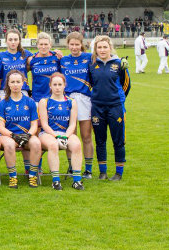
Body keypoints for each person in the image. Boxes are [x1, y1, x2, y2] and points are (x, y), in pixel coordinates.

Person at [89, 36, 131, 181]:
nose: (102, 50)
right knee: (100, 140)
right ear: (95, 49)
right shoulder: (92, 64)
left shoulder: (120, 64)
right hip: (97, 107)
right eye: (99, 47)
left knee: (118, 140)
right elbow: (90, 84)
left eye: (104, 47)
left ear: (110, 48)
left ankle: (119, 172)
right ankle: (103, 172)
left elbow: (126, 85)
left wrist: (118, 99)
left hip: (115, 107)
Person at [37, 73, 84, 190]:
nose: (57, 87)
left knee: (77, 144)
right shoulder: (44, 101)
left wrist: (65, 136)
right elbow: (44, 124)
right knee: (53, 145)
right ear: (50, 86)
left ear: (64, 86)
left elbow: (73, 123)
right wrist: (56, 136)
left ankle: (77, 180)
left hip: (65, 133)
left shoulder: (71, 101)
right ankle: (56, 181)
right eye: (55, 84)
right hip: (47, 134)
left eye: (60, 84)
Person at [0, 70, 42, 189]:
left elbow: (34, 124)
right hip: (8, 136)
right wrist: (13, 136)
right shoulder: (3, 103)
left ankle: (32, 176)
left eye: (18, 82)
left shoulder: (30, 102)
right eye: (13, 82)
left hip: (26, 135)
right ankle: (13, 177)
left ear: (23, 83)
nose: (15, 84)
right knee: (10, 145)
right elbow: (1, 127)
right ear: (8, 84)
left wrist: (28, 135)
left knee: (37, 143)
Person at [60, 32, 95, 178]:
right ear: (67, 45)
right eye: (71, 44)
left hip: (85, 100)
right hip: (68, 100)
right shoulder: (63, 60)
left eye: (77, 44)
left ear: (81, 44)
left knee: (86, 136)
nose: (74, 47)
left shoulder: (89, 58)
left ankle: (88, 169)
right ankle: (72, 167)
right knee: (71, 136)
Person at [0, 29, 33, 98]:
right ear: (6, 41)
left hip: (22, 90)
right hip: (5, 91)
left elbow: (40, 57)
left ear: (19, 41)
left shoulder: (26, 54)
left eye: (15, 39)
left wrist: (55, 53)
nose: (13, 42)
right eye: (10, 39)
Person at [28, 32, 60, 103]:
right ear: (37, 45)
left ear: (50, 45)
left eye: (46, 44)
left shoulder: (57, 57)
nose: (43, 47)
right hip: (37, 98)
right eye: (41, 44)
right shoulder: (31, 59)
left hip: (54, 98)